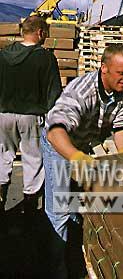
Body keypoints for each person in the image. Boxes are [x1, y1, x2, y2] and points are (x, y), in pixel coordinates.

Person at [42, 44, 123, 278]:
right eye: (121, 73)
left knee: (79, 200)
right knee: (60, 209)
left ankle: (74, 248)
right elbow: (55, 131)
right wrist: (76, 158)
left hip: (84, 144)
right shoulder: (82, 91)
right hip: (60, 145)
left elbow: (121, 125)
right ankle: (56, 269)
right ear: (104, 68)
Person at [0, 15, 62, 226]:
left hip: (3, 115)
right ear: (39, 32)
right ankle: (29, 213)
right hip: (31, 116)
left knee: (2, 158)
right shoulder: (45, 57)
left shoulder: (4, 55)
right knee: (33, 160)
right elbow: (54, 93)